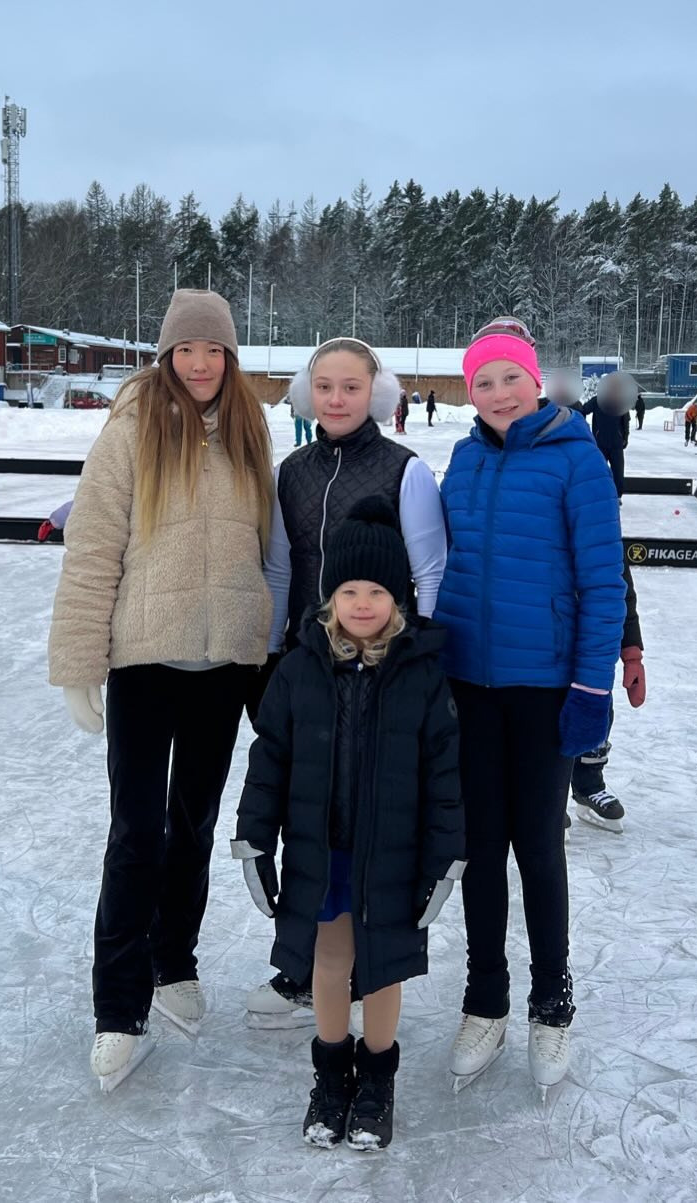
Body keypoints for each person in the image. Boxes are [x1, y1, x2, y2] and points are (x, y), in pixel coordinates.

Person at [47, 290, 276, 1092]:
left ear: (231, 356)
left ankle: (174, 958)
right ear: (166, 355)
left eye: (214, 350)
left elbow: (268, 549)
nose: (201, 364)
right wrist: (79, 661)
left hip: (226, 667)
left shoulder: (253, 429)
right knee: (137, 832)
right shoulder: (131, 428)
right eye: (187, 350)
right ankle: (118, 1009)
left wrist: (269, 655)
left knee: (194, 824)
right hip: (145, 660)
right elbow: (92, 548)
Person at [234, 499, 465, 1151]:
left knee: (384, 965)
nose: (362, 603)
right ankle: (332, 1075)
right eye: (348, 589)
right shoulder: (298, 668)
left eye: (377, 591)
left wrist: (445, 858)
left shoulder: (421, 673)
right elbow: (268, 760)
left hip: (391, 856)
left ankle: (376, 1082)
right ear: (328, 595)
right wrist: (254, 835)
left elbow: (444, 776)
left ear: (400, 598)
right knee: (330, 962)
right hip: (323, 850)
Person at [434, 316, 626, 1091]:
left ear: (535, 378)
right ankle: (486, 997)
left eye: (510, 377)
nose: (498, 393)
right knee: (478, 847)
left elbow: (602, 583)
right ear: (469, 391)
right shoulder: (462, 457)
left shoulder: (575, 460)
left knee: (537, 846)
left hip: (543, 688)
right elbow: (440, 564)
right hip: (467, 687)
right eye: (483, 382)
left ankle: (552, 1000)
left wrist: (590, 686)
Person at [247, 336, 448, 1029]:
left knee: (373, 818)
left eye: (351, 387)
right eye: (324, 387)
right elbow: (280, 569)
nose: (336, 399)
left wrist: (411, 658)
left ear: (376, 394)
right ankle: (307, 966)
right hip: (312, 669)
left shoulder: (405, 470)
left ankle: (367, 963)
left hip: (384, 672)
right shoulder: (291, 472)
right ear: (308, 394)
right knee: (316, 817)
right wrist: (274, 656)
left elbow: (428, 573)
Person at [567, 562, 645, 831]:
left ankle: (589, 786)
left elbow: (622, 591)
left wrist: (632, 653)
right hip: (545, 639)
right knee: (542, 720)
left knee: (598, 714)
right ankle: (543, 798)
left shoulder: (603, 527)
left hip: (594, 645)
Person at [581, 370, 634, 497]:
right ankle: (598, 494)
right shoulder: (597, 400)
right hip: (600, 443)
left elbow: (625, 420)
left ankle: (617, 495)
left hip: (616, 443)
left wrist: (625, 437)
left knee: (618, 472)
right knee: (598, 471)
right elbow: (582, 411)